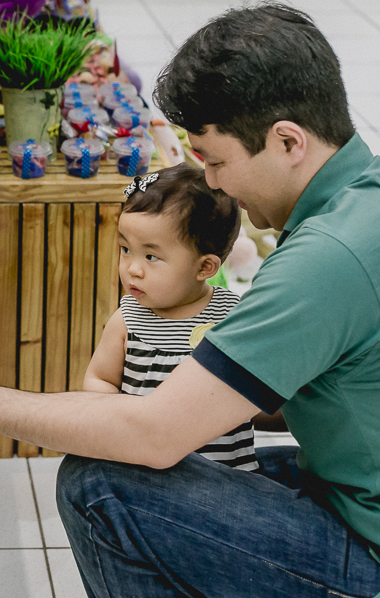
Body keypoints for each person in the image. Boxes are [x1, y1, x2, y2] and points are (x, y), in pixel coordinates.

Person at [0, 2, 380, 598]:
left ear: (287, 141)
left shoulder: (329, 256)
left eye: (218, 161)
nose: (214, 185)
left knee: (102, 482)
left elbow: (150, 436)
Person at [82, 163, 258, 472]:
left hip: (229, 479)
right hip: (147, 473)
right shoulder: (128, 319)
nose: (132, 268)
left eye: (151, 256)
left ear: (204, 267)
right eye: (125, 249)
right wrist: (121, 412)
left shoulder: (232, 317)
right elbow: (99, 378)